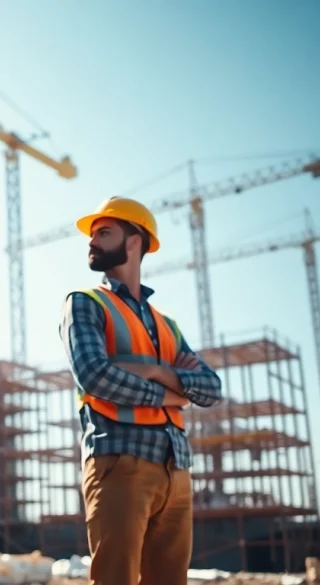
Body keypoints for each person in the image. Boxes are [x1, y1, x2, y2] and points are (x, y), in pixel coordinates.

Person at [58, 196, 224, 585]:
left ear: (135, 241)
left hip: (177, 469)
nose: (92, 240)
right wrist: (172, 391)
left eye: (104, 232)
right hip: (119, 460)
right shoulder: (85, 303)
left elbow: (212, 388)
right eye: (93, 233)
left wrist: (153, 369)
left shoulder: (166, 323)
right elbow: (96, 376)